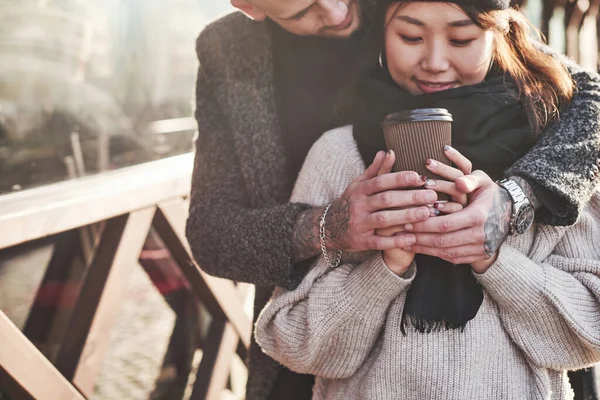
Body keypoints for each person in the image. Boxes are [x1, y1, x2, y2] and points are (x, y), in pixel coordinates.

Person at [187, 0, 600, 398]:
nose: (337, 11)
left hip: (525, 368)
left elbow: (584, 96)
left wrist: (515, 200)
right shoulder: (234, 58)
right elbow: (211, 231)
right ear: (248, 4)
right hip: (323, 358)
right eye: (302, 10)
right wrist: (329, 226)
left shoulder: (519, 100)